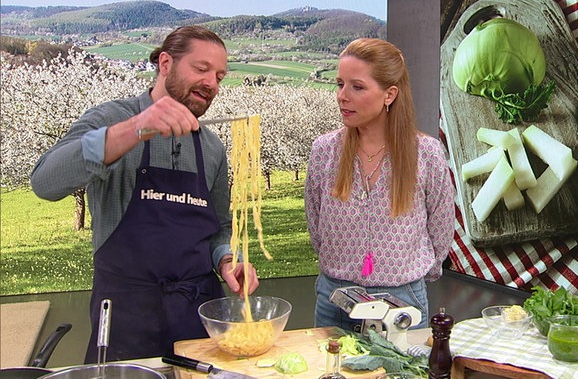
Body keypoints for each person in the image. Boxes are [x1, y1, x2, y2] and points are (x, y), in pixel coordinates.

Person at [30, 26, 259, 362]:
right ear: (165, 63)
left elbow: (219, 228)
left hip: (196, 316)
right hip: (125, 315)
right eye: (201, 69)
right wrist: (134, 129)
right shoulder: (111, 118)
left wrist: (227, 258)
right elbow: (45, 182)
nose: (212, 83)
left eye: (220, 76)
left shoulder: (211, 148)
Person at [304, 38, 455, 331]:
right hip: (334, 298)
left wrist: (411, 270)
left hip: (400, 302)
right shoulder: (324, 149)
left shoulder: (426, 152)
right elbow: (316, 221)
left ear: (390, 95)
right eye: (339, 84)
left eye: (357, 87)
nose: (342, 96)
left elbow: (441, 228)